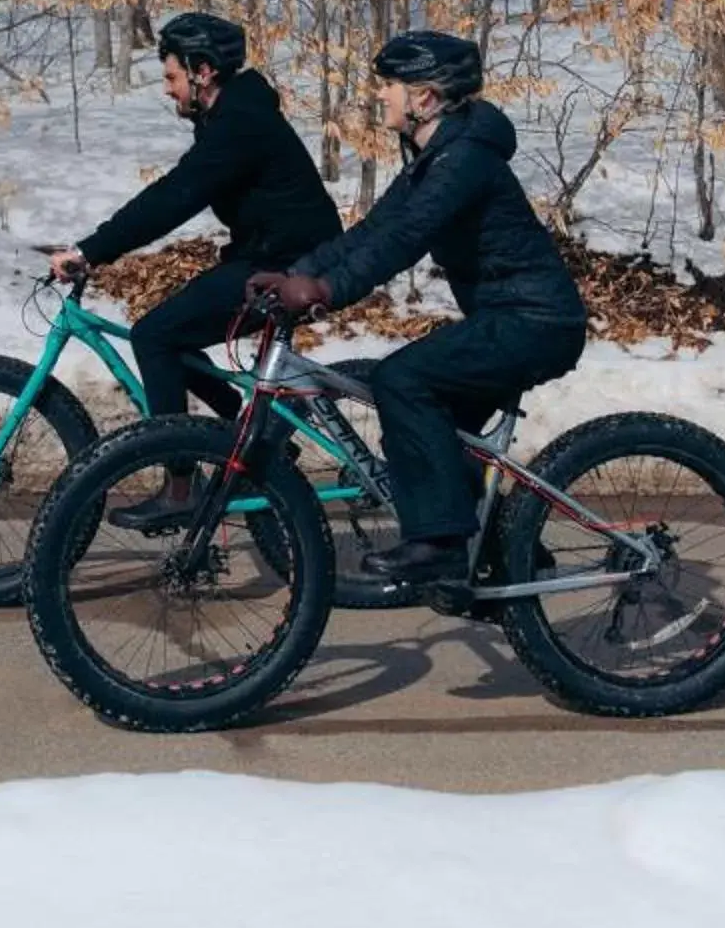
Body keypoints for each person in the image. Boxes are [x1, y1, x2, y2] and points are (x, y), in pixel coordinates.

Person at [247, 29, 587, 586]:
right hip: (509, 319)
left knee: (403, 380)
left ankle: (438, 545)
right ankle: (508, 547)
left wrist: (328, 292)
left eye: (392, 87)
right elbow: (374, 231)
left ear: (425, 98)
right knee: (430, 436)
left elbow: (403, 239)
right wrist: (297, 275)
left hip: (535, 322)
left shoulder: (463, 160)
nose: (382, 96)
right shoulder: (441, 156)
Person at [48, 12, 341, 530]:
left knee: (156, 336)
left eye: (171, 77)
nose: (168, 90)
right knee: (172, 337)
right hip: (277, 254)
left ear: (203, 72)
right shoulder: (232, 113)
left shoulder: (240, 122)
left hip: (290, 265)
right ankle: (245, 439)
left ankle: (180, 485)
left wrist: (93, 250)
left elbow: (176, 197)